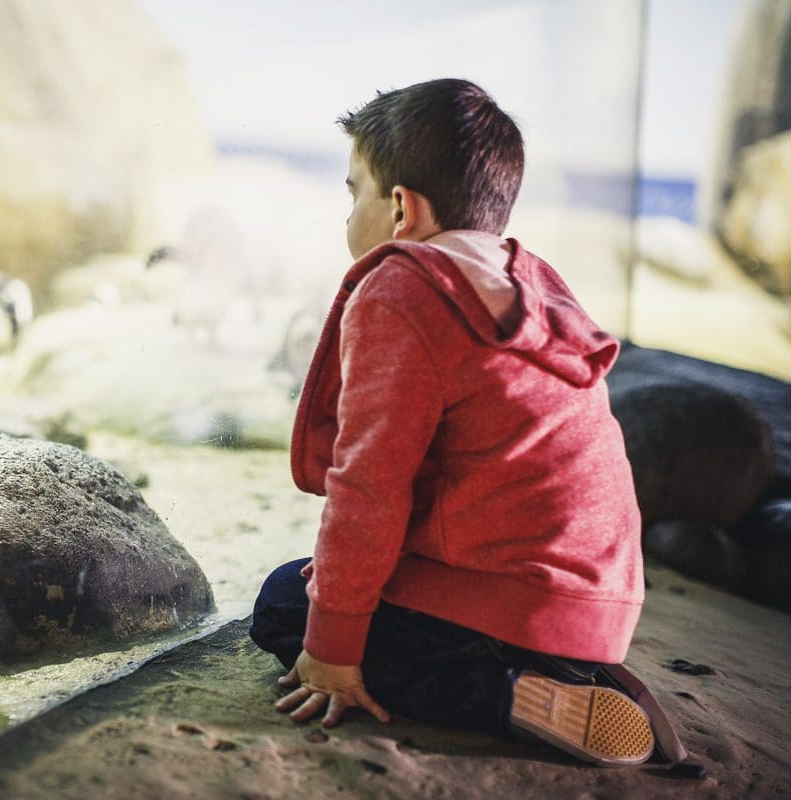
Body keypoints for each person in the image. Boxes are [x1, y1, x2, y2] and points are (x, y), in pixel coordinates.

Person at [249, 78, 657, 767]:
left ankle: (505, 694)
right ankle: (573, 674)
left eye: (355, 193)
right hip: (597, 607)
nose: (349, 211)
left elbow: (369, 488)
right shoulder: (528, 280)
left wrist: (332, 653)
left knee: (287, 601)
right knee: (330, 588)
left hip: (505, 607)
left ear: (402, 208)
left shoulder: (402, 287)